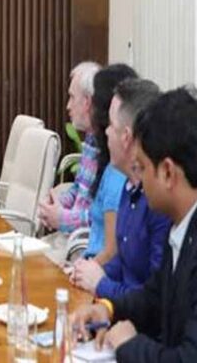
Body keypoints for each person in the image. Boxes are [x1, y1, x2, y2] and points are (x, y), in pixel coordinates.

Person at [71, 87, 197, 361]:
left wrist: (129, 345)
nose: (139, 180)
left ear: (167, 172)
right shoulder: (184, 223)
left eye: (143, 168)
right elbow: (155, 297)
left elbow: (192, 358)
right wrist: (108, 309)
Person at [71, 78, 170, 299]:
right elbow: (122, 264)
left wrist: (101, 284)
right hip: (115, 307)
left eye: (111, 125)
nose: (105, 132)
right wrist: (89, 273)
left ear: (126, 137)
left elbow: (154, 299)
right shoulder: (130, 186)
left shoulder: (158, 202)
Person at [80, 64, 138, 263]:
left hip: (97, 271)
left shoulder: (118, 174)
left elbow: (111, 252)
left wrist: (84, 270)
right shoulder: (110, 165)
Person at [38, 61, 101, 234]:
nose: (68, 106)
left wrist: (62, 218)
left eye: (72, 98)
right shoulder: (91, 139)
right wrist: (56, 205)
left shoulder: (109, 150)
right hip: (70, 237)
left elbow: (101, 220)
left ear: (87, 102)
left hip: (82, 244)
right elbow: (78, 188)